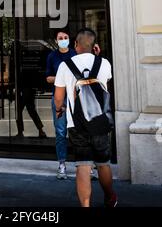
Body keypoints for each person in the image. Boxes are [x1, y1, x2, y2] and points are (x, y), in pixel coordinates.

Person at [54, 28, 117, 207]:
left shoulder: (65, 66)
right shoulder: (104, 63)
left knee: (83, 165)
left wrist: (60, 109)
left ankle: (86, 205)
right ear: (94, 45)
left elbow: (58, 98)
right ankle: (109, 196)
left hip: (77, 124)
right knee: (103, 163)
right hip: (100, 122)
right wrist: (98, 56)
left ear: (75, 45)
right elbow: (105, 84)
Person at [46, 29, 76, 179]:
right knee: (60, 132)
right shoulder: (52, 56)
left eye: (66, 37)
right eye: (60, 38)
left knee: (78, 132)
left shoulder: (75, 54)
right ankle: (62, 164)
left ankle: (85, 165)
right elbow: (48, 78)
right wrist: (62, 76)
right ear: (56, 41)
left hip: (75, 98)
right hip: (59, 99)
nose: (63, 39)